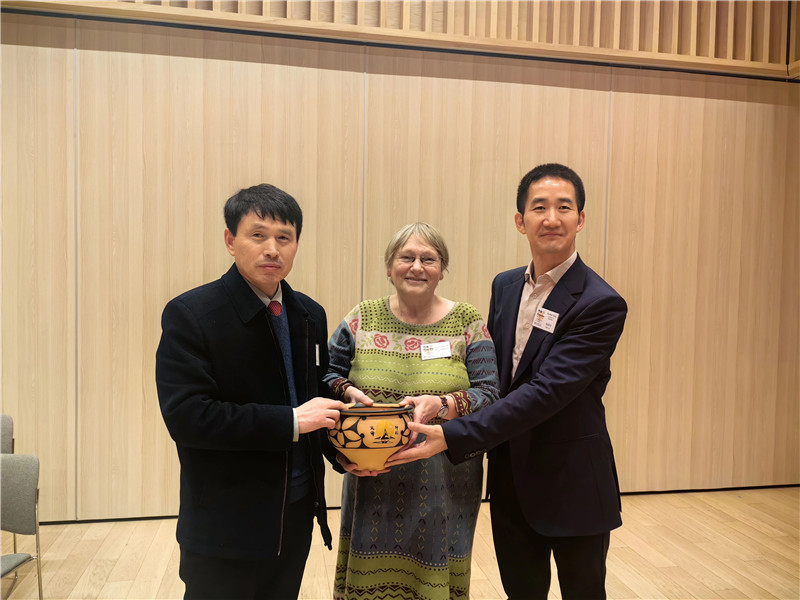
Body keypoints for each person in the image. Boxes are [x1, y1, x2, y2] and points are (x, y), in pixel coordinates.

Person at [388, 164, 628, 600]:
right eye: (539, 207)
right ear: (521, 220)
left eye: (564, 208)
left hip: (572, 481)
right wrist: (445, 403)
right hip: (510, 477)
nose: (551, 218)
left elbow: (545, 393)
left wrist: (453, 434)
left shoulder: (600, 303)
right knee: (521, 591)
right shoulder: (506, 286)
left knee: (584, 592)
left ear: (581, 219)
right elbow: (494, 377)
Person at [155, 183, 346, 599]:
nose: (272, 249)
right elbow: (189, 417)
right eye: (258, 235)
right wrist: (291, 420)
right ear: (230, 240)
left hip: (296, 511)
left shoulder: (309, 314)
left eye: (284, 238)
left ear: (297, 244)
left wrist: (348, 451)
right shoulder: (191, 314)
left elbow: (313, 398)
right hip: (226, 521)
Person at [324, 222, 500, 600]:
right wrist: (348, 390)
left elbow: (490, 393)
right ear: (389, 267)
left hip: (446, 478)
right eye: (406, 257)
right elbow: (325, 375)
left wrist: (444, 404)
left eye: (428, 259)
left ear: (442, 269)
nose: (417, 267)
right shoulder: (361, 318)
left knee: (435, 569)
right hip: (373, 474)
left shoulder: (467, 322)